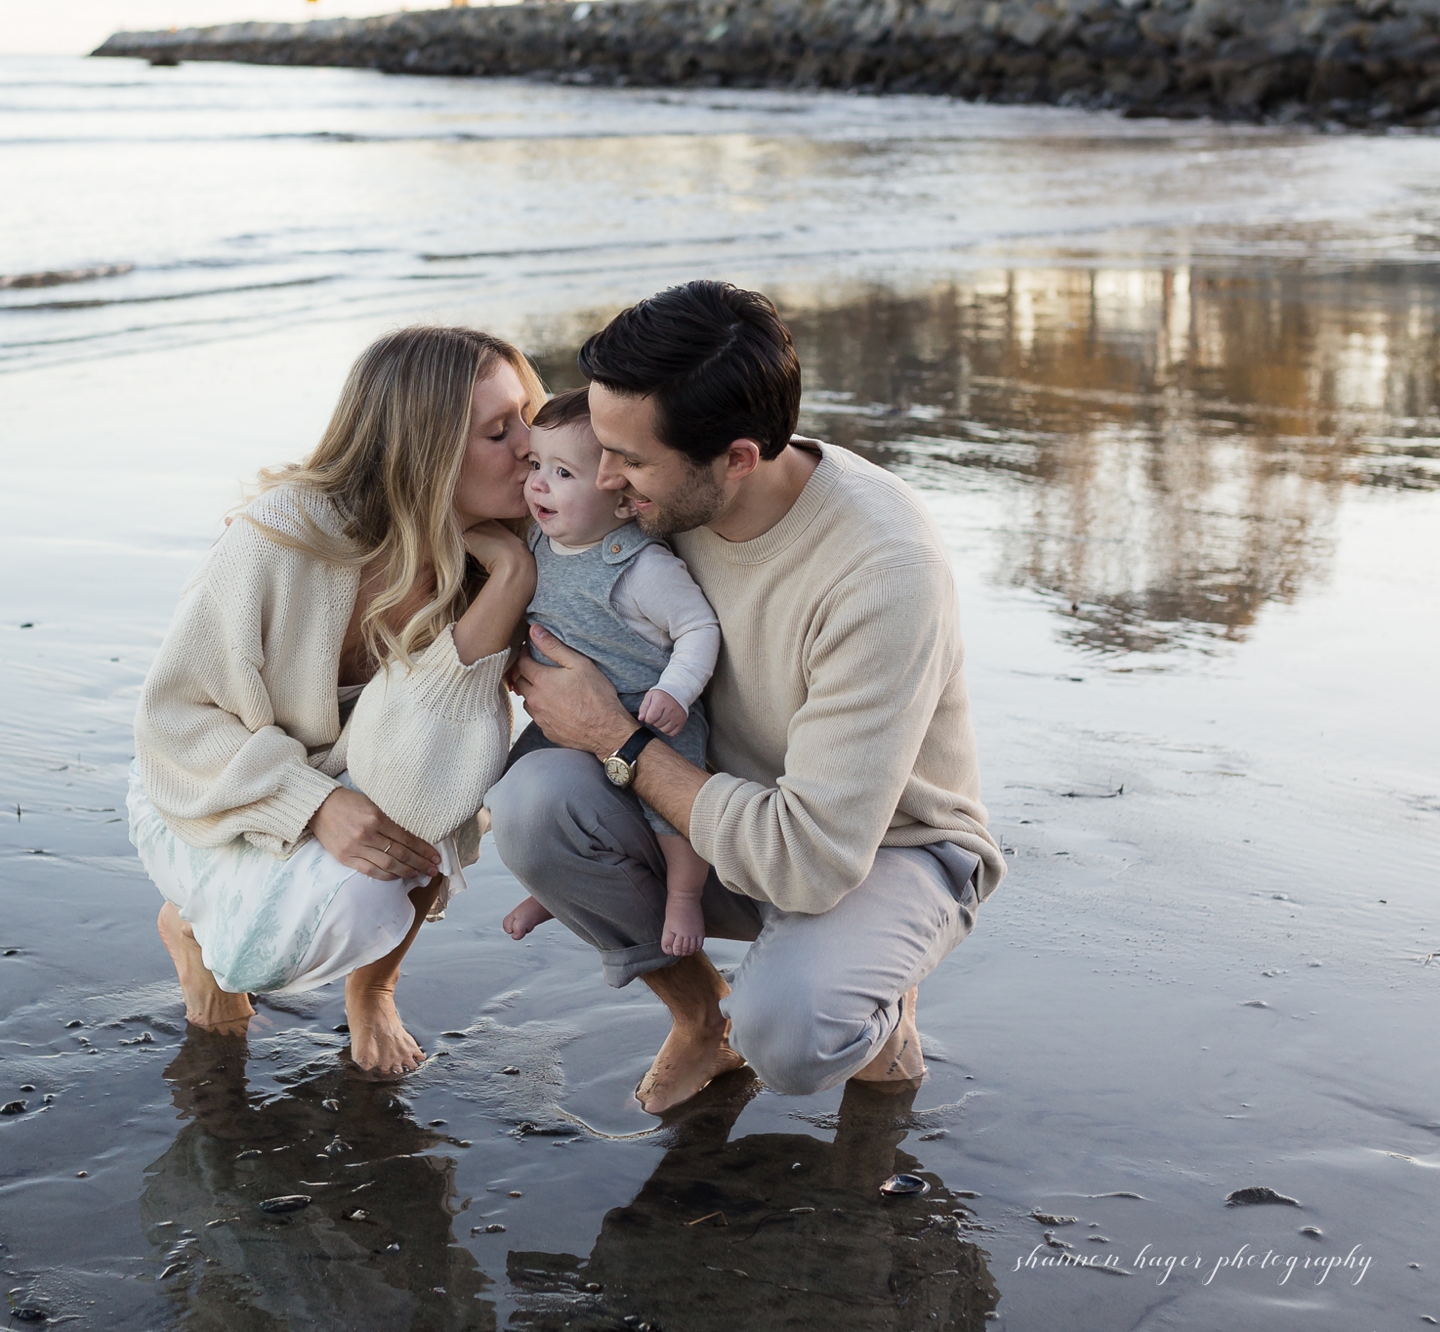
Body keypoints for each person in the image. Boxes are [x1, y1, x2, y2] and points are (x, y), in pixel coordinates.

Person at [486, 281, 1007, 1113]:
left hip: (876, 850)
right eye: (601, 447)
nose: (606, 479)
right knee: (532, 809)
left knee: (792, 1037)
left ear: (736, 457)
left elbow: (810, 860)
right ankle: (699, 1022)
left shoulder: (880, 571)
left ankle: (876, 998)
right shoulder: (663, 493)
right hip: (714, 814)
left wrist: (617, 739)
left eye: (628, 459)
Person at [129, 326, 540, 1077]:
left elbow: (444, 778)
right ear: (427, 448)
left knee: (434, 809)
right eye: (497, 430)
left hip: (361, 784)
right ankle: (194, 924)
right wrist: (313, 804)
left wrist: (510, 574)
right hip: (210, 789)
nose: (529, 445)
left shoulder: (514, 547)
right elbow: (172, 723)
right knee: (270, 950)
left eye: (527, 417)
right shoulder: (282, 537)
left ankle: (374, 992)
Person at [497, 387, 720, 958]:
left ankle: (684, 895)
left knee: (670, 815)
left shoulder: (642, 566)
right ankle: (559, 889)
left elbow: (698, 629)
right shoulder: (540, 543)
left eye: (563, 473)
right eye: (535, 465)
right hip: (562, 719)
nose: (538, 484)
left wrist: (675, 690)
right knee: (516, 789)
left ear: (623, 500)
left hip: (651, 716)